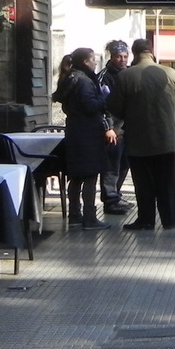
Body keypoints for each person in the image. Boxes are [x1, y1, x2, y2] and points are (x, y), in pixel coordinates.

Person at [107, 38, 175, 230]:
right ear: (151, 51)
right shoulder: (169, 72)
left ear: (134, 53)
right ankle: (170, 219)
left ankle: (146, 219)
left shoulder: (125, 76)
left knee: (143, 182)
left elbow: (114, 107)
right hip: (166, 138)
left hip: (138, 139)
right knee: (167, 180)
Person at [51, 47, 114, 230]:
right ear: (86, 62)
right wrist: (103, 97)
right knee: (90, 176)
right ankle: (89, 217)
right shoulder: (85, 81)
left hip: (74, 131)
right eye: (93, 60)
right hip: (88, 133)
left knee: (76, 176)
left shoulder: (70, 78)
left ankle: (75, 215)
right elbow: (90, 106)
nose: (95, 63)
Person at [97, 40, 132, 215]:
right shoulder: (104, 77)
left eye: (125, 56)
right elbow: (102, 105)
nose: (123, 60)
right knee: (111, 165)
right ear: (112, 57)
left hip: (128, 128)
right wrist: (108, 127)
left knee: (125, 163)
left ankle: (116, 195)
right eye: (119, 56)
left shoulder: (130, 73)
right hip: (113, 129)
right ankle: (110, 200)